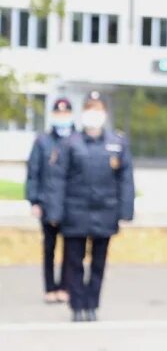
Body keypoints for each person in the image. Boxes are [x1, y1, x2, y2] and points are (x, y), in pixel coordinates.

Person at [45, 91, 135, 322]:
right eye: (89, 108)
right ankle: (77, 305)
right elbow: (58, 180)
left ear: (104, 113)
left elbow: (125, 179)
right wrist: (54, 212)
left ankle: (92, 303)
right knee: (73, 261)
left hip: (105, 211)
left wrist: (126, 210)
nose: (93, 114)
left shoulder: (116, 143)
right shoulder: (70, 144)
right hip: (75, 212)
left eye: (97, 109)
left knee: (98, 262)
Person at [25, 97, 75, 304]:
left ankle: (65, 286)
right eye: (58, 113)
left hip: (71, 203)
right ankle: (50, 287)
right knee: (49, 247)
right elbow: (33, 173)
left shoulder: (78, 139)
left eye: (65, 113)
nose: (62, 116)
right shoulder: (42, 141)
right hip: (47, 202)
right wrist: (34, 201)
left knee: (71, 248)